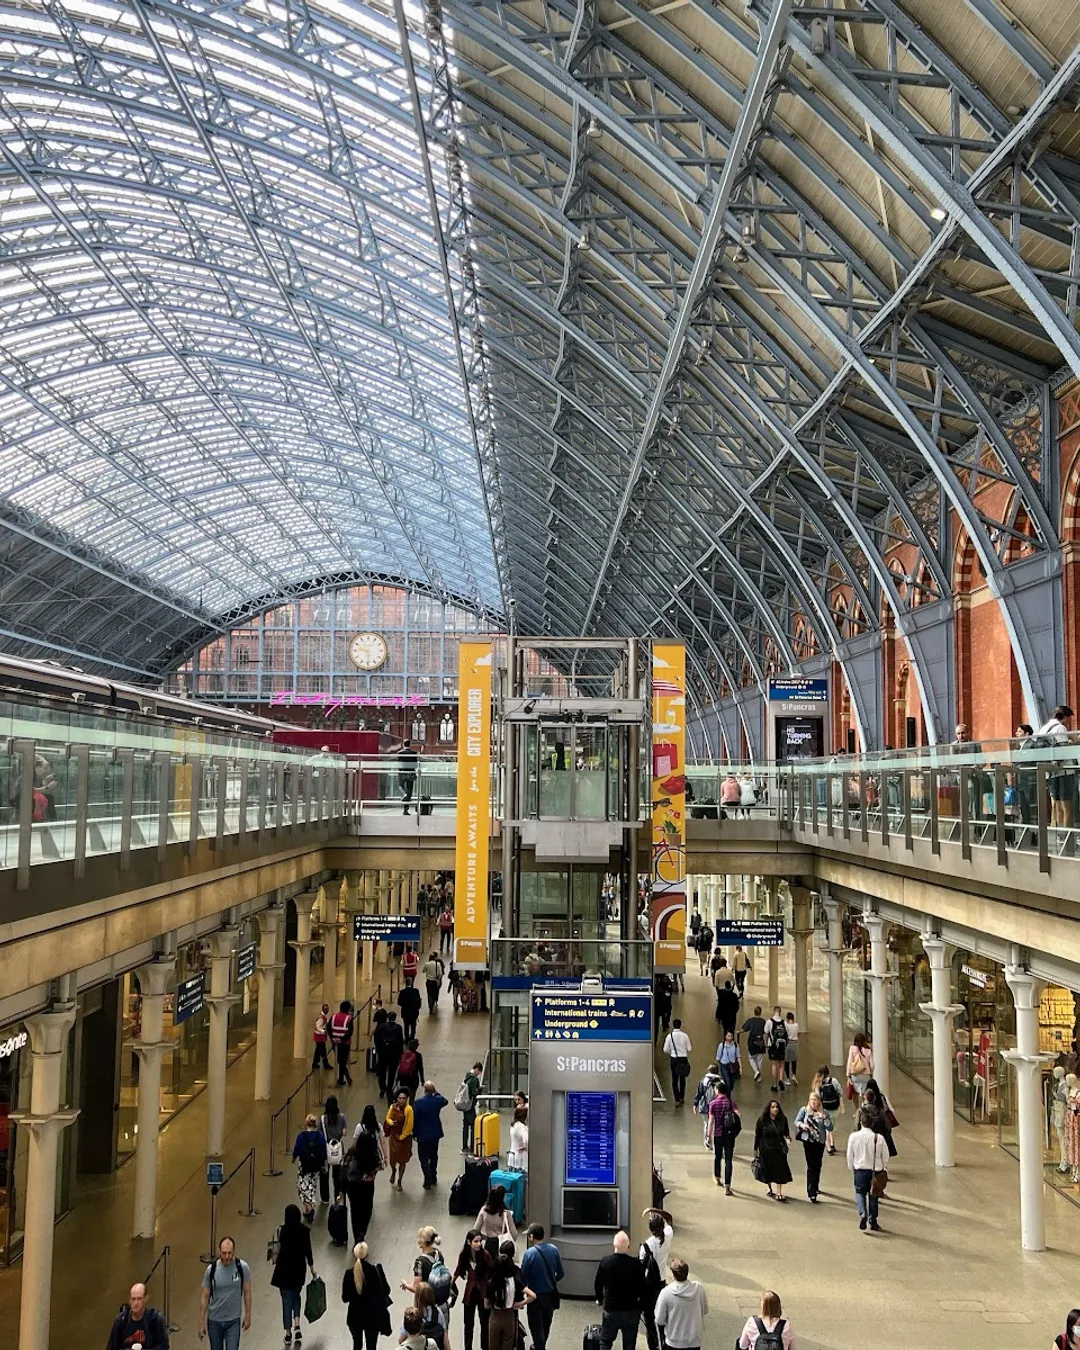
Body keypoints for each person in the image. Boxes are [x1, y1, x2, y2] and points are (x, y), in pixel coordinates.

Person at [270, 1203, 315, 1345]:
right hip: (298, 1271)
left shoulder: (283, 1231)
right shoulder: (304, 1231)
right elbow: (308, 1251)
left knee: (286, 1301)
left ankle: (288, 1332)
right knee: (296, 1296)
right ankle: (297, 1323)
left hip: (284, 1271)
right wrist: (312, 1268)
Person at [199, 1236, 252, 1350]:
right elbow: (205, 1295)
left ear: (234, 1251)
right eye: (224, 1253)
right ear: (219, 1251)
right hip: (215, 1321)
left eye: (229, 1253)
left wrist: (248, 1315)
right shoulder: (211, 1270)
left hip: (233, 1320)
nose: (227, 1256)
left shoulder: (242, 1268)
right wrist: (201, 1320)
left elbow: (247, 1291)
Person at [593, 1230, 643, 1350]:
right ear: (628, 1247)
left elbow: (598, 1284)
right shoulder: (636, 1265)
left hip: (611, 1309)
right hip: (631, 1310)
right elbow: (643, 1287)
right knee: (629, 1344)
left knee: (605, 1341)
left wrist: (600, 1299)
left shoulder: (606, 1262)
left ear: (614, 1245)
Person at [342, 1241, 392, 1350]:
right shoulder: (376, 1271)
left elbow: (344, 1298)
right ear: (367, 1254)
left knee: (357, 1345)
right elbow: (386, 1290)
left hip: (355, 1317)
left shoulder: (349, 1273)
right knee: (371, 1346)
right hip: (372, 1317)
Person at [520, 1224, 564, 1350]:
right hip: (550, 1295)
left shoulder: (530, 1254)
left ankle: (539, 1347)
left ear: (532, 1237)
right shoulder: (554, 1249)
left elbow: (523, 1277)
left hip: (535, 1297)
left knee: (535, 1326)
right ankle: (541, 1345)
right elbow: (560, 1273)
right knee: (546, 1325)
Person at [346, 1106, 385, 1243]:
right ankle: (362, 1232)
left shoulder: (354, 1156)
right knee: (367, 1208)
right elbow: (377, 1167)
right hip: (367, 1184)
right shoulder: (372, 1157)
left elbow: (346, 1169)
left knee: (355, 1210)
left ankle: (356, 1232)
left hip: (353, 1184)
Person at [637, 1205, 673, 1350]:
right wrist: (655, 1210)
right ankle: (663, 1340)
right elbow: (669, 1218)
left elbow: (641, 1267)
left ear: (650, 1229)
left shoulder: (646, 1246)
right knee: (661, 1315)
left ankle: (653, 1345)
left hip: (648, 1285)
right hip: (661, 1282)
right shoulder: (668, 1237)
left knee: (649, 1317)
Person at [485, 1244, 534, 1350]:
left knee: (493, 1344)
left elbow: (486, 1305)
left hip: (495, 1316)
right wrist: (520, 1304)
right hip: (509, 1316)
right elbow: (532, 1295)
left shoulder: (492, 1282)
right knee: (508, 1344)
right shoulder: (514, 1280)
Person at [846, 1106, 888, 1232]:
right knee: (873, 1196)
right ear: (872, 1124)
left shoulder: (853, 1137)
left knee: (860, 1193)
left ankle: (862, 1213)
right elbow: (885, 1156)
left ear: (861, 1123)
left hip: (860, 1170)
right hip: (876, 1171)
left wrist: (851, 1167)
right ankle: (873, 1221)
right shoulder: (878, 1138)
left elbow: (850, 1155)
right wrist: (883, 1167)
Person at [653, 1259, 707, 1350]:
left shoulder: (666, 1293)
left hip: (673, 1342)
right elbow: (704, 1310)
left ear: (673, 1275)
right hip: (694, 1341)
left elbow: (659, 1320)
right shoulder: (699, 1289)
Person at [453, 1230, 494, 1350]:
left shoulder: (485, 1255)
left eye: (480, 1241)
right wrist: (451, 1283)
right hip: (470, 1292)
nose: (479, 1244)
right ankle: (468, 1347)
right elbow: (459, 1269)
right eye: (476, 1241)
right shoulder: (464, 1255)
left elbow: (492, 1272)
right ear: (469, 1242)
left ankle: (485, 1346)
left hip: (483, 1291)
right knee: (468, 1322)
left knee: (484, 1322)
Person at [1039, 705, 1075, 827]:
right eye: (1068, 719)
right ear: (1064, 717)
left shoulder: (1043, 729)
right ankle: (1068, 835)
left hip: (1050, 771)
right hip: (1064, 771)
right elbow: (1062, 749)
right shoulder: (1060, 728)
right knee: (1067, 806)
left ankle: (1060, 835)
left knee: (1056, 804)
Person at [107, 1282, 170, 1349]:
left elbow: (164, 1346)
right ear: (129, 1300)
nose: (136, 1303)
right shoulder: (121, 1321)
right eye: (133, 1299)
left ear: (146, 1299)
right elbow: (112, 1347)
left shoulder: (156, 1320)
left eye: (139, 1299)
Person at [793, 1092, 832, 1202]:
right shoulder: (804, 1110)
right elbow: (797, 1121)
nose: (813, 1102)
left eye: (815, 1100)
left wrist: (824, 1118)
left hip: (819, 1142)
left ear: (819, 1102)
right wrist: (802, 1125)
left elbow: (830, 1127)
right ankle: (811, 1192)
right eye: (811, 1100)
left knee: (818, 1164)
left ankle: (816, 1185)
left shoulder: (824, 1113)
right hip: (808, 1141)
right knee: (811, 1165)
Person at [753, 1099, 792, 1201]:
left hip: (779, 1149)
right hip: (766, 1149)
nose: (775, 1109)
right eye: (773, 1107)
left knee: (780, 1170)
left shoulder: (783, 1119)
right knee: (767, 1170)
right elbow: (758, 1135)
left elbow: (786, 1132)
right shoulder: (762, 1120)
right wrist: (755, 1148)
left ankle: (779, 1192)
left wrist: (788, 1138)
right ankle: (770, 1188)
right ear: (768, 1109)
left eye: (776, 1107)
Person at [291, 1114, 327, 1223]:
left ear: (306, 1123)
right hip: (315, 1166)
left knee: (302, 1188)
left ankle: (309, 1207)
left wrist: (293, 1159)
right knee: (312, 1187)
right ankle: (308, 1210)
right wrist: (324, 1164)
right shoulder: (320, 1136)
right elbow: (323, 1152)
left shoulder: (301, 1136)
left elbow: (297, 1149)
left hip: (304, 1166)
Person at [706, 1079, 740, 1194]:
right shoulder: (731, 1103)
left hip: (718, 1134)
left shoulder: (713, 1104)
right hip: (729, 1135)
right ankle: (728, 1185)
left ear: (717, 1090)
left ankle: (717, 1177)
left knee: (718, 1156)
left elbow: (711, 1121)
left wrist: (708, 1136)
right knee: (728, 1160)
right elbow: (738, 1115)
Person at [413, 1081, 448, 1189]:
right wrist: (436, 1093)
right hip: (434, 1134)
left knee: (423, 1158)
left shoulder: (418, 1103)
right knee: (434, 1155)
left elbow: (415, 1119)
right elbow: (445, 1101)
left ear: (424, 1091)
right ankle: (433, 1175)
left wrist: (414, 1133)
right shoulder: (437, 1101)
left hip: (422, 1135)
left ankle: (427, 1179)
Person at [384, 1088, 414, 1190]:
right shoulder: (393, 1107)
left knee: (402, 1161)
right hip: (394, 1137)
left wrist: (403, 1136)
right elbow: (387, 1118)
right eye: (400, 1098)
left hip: (404, 1139)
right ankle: (393, 1171)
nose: (401, 1100)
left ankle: (399, 1181)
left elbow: (409, 1125)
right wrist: (391, 1123)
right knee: (393, 1160)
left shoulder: (409, 1110)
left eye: (404, 1098)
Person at [401, 1227, 443, 1296]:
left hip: (427, 1298)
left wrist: (406, 1285)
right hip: (439, 1294)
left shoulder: (420, 1262)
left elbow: (416, 1288)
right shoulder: (438, 1253)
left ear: (422, 1242)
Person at [321, 1095, 349, 1201]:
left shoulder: (323, 1118)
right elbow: (344, 1132)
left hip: (326, 1149)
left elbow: (320, 1133)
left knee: (324, 1174)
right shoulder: (341, 1117)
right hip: (337, 1149)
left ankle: (325, 1197)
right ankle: (337, 1195)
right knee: (337, 1175)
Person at [477, 1184, 517, 1255]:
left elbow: (476, 1230)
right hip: (503, 1245)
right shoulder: (506, 1213)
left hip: (489, 1244)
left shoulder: (484, 1210)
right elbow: (514, 1234)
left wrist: (485, 1237)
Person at [861, 1079, 897, 1157]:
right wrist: (888, 1130)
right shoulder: (881, 1097)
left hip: (869, 1128)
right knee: (882, 1149)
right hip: (881, 1128)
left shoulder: (864, 1105)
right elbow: (891, 1109)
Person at [375, 1011, 405, 1101]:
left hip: (383, 1053)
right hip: (394, 1054)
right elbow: (400, 1042)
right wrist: (400, 1054)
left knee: (382, 1071)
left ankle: (382, 1088)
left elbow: (377, 1038)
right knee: (392, 1072)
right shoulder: (398, 1028)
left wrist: (379, 1049)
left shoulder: (382, 1026)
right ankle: (389, 1089)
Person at [811, 1067, 843, 1151]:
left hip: (824, 1108)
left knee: (825, 1128)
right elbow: (840, 1092)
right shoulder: (834, 1081)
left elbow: (816, 1097)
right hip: (835, 1108)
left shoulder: (817, 1084)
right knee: (832, 1126)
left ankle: (828, 1147)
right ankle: (832, 1144)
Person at [662, 1018, 692, 1107]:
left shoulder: (669, 1036)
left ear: (673, 1025)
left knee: (674, 1080)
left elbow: (665, 1049)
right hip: (683, 1059)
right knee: (683, 1079)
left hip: (674, 1059)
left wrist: (671, 1052)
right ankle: (682, 1096)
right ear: (680, 1025)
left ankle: (677, 1099)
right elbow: (689, 1048)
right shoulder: (685, 1036)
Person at [692, 1063, 722, 1147]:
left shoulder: (704, 1080)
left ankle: (707, 1141)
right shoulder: (721, 1081)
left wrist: (695, 1104)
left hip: (705, 1105)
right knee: (715, 1124)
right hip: (717, 1107)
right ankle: (715, 1141)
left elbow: (699, 1093)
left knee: (706, 1123)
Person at [330, 1000, 355, 1088]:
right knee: (342, 1061)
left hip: (334, 1043)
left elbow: (329, 1028)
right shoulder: (349, 1018)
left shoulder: (333, 1017)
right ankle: (343, 1078)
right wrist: (341, 1039)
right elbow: (350, 1032)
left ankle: (342, 1078)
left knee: (339, 1060)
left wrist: (333, 1038)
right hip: (345, 1043)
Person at [763, 1006, 787, 1092]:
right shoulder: (784, 1023)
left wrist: (765, 1044)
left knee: (774, 1065)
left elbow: (766, 1034)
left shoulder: (769, 1022)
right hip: (782, 1047)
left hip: (773, 1046)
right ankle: (781, 1079)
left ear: (774, 1012)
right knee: (782, 1064)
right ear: (780, 1012)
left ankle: (774, 1084)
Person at [460, 1061, 483, 1152]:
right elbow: (473, 1092)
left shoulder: (467, 1076)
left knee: (465, 1127)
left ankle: (464, 1146)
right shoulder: (474, 1079)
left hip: (465, 1105)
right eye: (479, 1071)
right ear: (477, 1069)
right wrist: (479, 1089)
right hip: (470, 1106)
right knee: (473, 1127)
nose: (479, 1074)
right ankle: (473, 1146)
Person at [742, 1006, 767, 1083]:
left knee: (751, 1057)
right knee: (760, 1059)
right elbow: (765, 1032)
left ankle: (756, 1071)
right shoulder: (763, 1021)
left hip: (752, 1041)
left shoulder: (751, 1021)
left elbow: (744, 1029)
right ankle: (758, 1076)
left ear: (754, 1012)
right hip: (760, 1041)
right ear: (761, 1012)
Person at [846, 1032, 874, 1100]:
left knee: (855, 1094)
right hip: (866, 1076)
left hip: (855, 1076)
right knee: (865, 1094)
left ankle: (857, 1109)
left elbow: (849, 1062)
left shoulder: (852, 1049)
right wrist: (870, 1072)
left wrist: (848, 1075)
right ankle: (864, 1107)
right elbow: (872, 1065)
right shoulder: (868, 1050)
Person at [716, 1030, 741, 1095]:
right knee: (727, 1082)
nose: (730, 1038)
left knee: (732, 1083)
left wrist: (740, 1067)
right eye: (728, 1036)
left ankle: (726, 1094)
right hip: (724, 1065)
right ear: (725, 1037)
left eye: (731, 1036)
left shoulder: (735, 1045)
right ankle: (727, 1097)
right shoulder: (722, 1045)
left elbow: (738, 1056)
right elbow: (718, 1057)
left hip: (733, 1066)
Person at [398, 737, 418, 814]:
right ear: (410, 745)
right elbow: (415, 765)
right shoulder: (414, 753)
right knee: (409, 790)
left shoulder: (400, 753)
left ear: (403, 745)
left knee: (401, 786)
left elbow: (399, 764)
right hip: (410, 773)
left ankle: (404, 794)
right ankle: (406, 809)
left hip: (402, 773)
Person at [653, 973, 673, 1044]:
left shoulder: (656, 989)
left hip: (657, 1008)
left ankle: (665, 1025)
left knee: (655, 1024)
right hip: (661, 1007)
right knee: (656, 1024)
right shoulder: (660, 990)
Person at [508, 1106, 529, 1172]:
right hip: (520, 1158)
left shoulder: (513, 1125)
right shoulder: (522, 1127)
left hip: (512, 1156)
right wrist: (525, 1147)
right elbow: (526, 1139)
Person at [312, 1003, 332, 1071]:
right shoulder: (321, 1018)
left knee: (318, 1051)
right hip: (319, 1037)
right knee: (323, 1051)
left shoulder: (324, 1017)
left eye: (327, 1009)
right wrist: (324, 1031)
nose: (327, 1010)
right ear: (323, 1009)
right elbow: (318, 1027)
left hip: (320, 1036)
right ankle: (325, 1064)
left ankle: (315, 1063)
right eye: (326, 1009)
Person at [782, 1012, 799, 1085]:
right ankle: (794, 1075)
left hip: (788, 1043)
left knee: (787, 1061)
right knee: (794, 1060)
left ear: (787, 1018)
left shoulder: (786, 1024)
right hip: (795, 1043)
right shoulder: (796, 1025)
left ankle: (787, 1079)